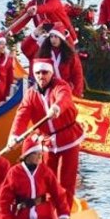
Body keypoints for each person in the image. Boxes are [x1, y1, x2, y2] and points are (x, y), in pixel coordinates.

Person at [11, 58, 83, 200]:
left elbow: (64, 98)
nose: (41, 76)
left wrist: (57, 107)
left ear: (50, 73)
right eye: (38, 73)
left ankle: (64, 214)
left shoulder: (60, 86)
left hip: (68, 139)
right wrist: (14, 136)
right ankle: (50, 213)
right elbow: (22, 115)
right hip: (47, 141)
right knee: (48, 180)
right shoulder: (31, 94)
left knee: (66, 180)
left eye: (44, 72)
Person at [0, 134, 70, 219]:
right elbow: (3, 200)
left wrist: (63, 214)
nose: (40, 156)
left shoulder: (45, 171)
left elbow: (58, 193)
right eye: (36, 153)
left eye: (40, 153)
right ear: (27, 155)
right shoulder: (14, 172)